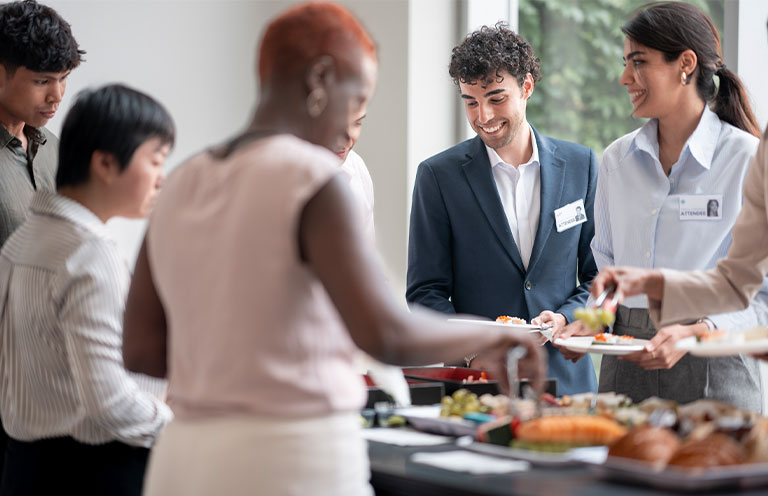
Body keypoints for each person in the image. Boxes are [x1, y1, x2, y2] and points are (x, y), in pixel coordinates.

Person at [120, 4, 545, 495]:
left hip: (184, 459)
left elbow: (142, 351)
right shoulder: (316, 181)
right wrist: (495, 338)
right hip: (288, 459)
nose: (351, 126)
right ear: (321, 80)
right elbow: (383, 333)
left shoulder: (183, 180)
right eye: (357, 96)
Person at [552, 2, 768, 412]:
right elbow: (607, 266)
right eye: (625, 63)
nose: (624, 78)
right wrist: (593, 323)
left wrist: (700, 331)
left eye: (638, 62)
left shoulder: (748, 159)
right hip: (626, 360)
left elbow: (761, 295)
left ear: (685, 64)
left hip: (716, 358)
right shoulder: (616, 160)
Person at [406, 23, 599, 395]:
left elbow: (598, 276)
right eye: (470, 101)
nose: (483, 116)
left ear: (526, 87)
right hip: (481, 382)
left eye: (496, 99)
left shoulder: (582, 165)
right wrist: (471, 352)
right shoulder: (438, 176)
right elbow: (425, 292)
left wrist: (564, 318)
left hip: (568, 380)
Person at [0, 84, 174, 495]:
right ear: (106, 164)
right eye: (155, 160)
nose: (161, 179)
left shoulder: (24, 241)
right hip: (94, 473)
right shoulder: (88, 255)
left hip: (27, 469)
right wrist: (182, 424)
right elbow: (111, 404)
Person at [0, 0, 83, 477]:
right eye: (41, 80)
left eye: (63, 78)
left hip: (56, 371)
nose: (57, 96)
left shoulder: (55, 151)